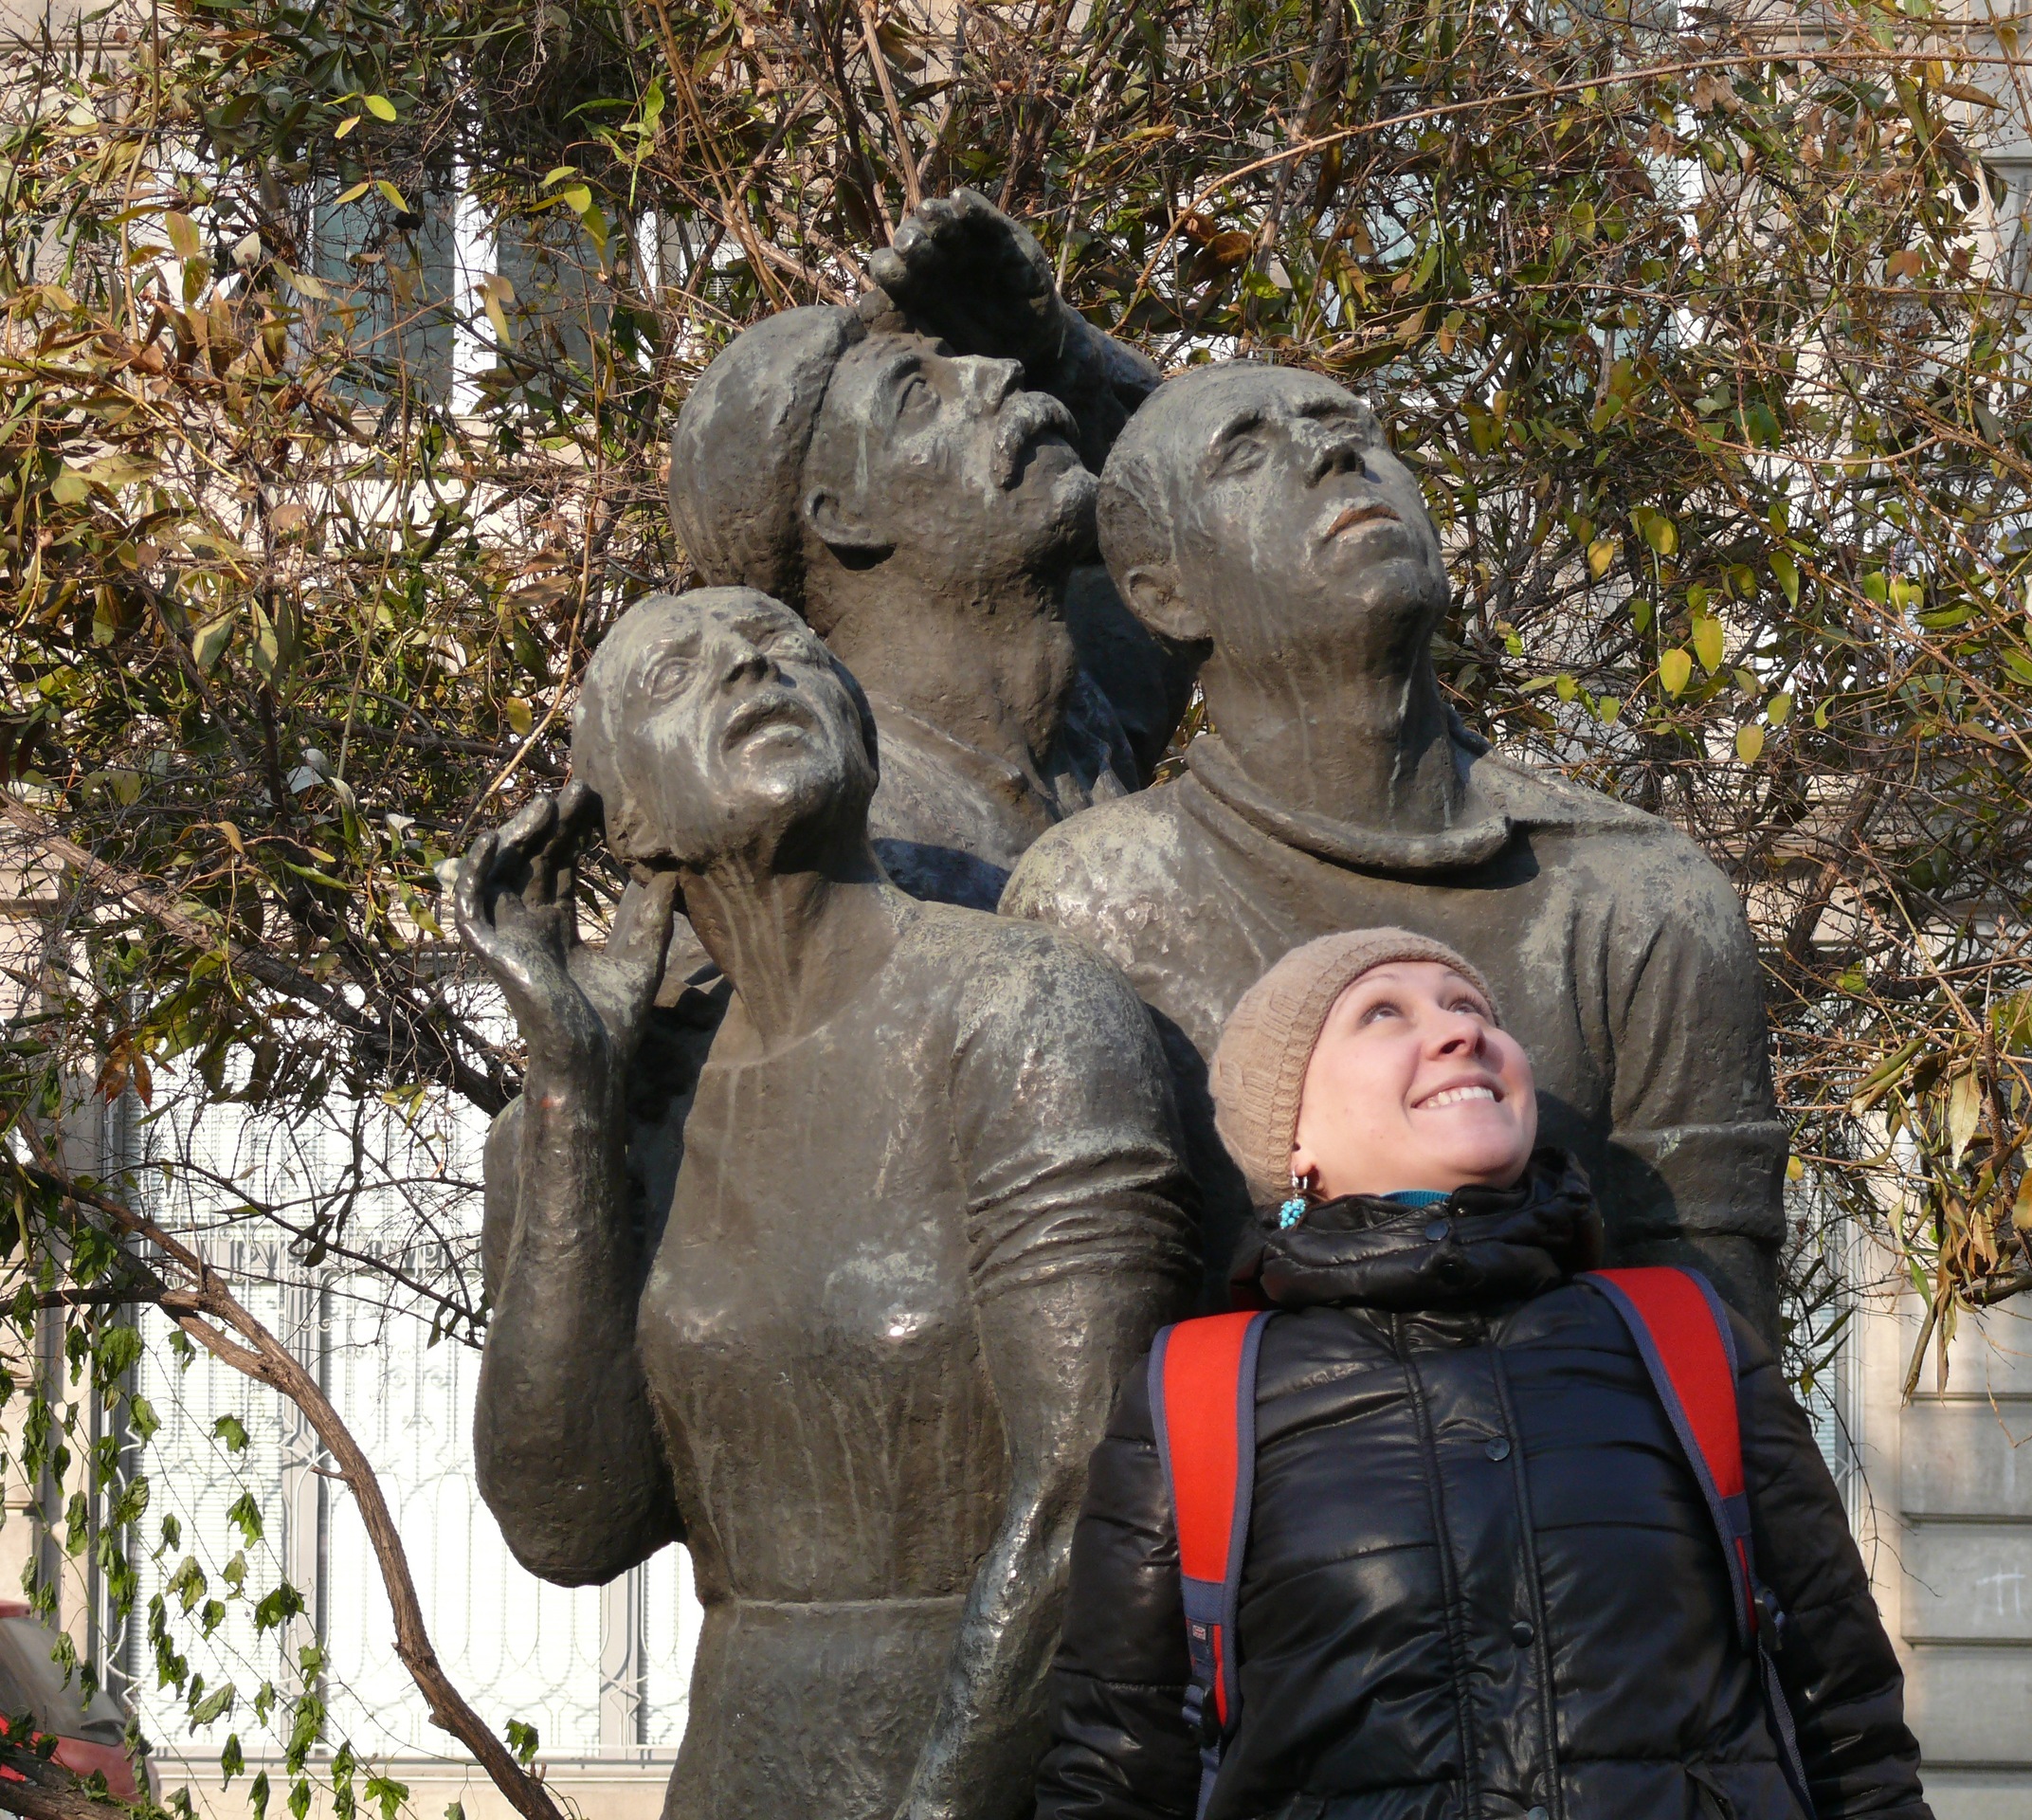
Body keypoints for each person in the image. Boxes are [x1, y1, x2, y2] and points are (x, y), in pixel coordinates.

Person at [458, 587, 1198, 1820]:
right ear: (624, 818)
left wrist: (942, 1806)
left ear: (858, 728)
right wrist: (573, 1099)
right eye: (676, 675)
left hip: (1005, 1771)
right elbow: (570, 1526)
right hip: (740, 1772)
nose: (751, 667)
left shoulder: (1023, 1013)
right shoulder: (605, 1108)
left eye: (784, 647)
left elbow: (1091, 1484)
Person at [1035, 930, 1931, 1820]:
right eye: (1382, 1013)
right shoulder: (1196, 1394)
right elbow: (1114, 1772)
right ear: (1292, 1139)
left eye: (1469, 1007)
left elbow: (1848, 1730)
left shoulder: (1687, 1339)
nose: (1461, 1031)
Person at [1002, 361, 1788, 1335]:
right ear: (1165, 596)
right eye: (1244, 452)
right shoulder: (1096, 903)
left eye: (1352, 425)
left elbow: (1718, 1355)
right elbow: (1096, 1366)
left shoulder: (1644, 894)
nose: (1333, 451)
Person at [668, 191, 1194, 909]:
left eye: (962, 357)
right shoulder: (821, 848)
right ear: (843, 515)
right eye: (918, 396)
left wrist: (1060, 351)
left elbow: (1196, 504)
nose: (997, 371)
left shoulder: (1088, 720)